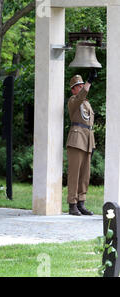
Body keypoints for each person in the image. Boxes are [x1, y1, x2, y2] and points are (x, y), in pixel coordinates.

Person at [66, 71, 97, 216]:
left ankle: (81, 202)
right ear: (73, 89)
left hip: (87, 139)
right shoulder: (74, 101)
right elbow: (81, 95)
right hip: (77, 140)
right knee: (74, 173)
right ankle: (72, 204)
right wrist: (89, 82)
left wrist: (92, 143)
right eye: (78, 86)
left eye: (81, 85)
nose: (81, 87)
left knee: (85, 174)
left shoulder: (86, 103)